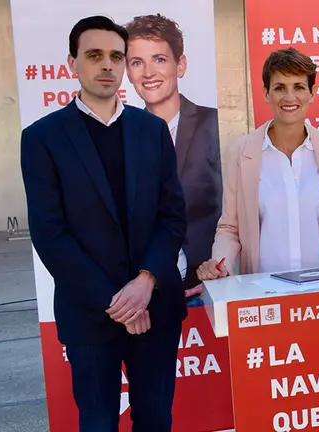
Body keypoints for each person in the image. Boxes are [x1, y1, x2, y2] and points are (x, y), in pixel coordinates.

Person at [20, 16, 187, 431]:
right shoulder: (42, 137)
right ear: (72, 63)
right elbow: (49, 233)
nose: (107, 65)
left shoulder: (152, 130)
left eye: (116, 56)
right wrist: (120, 304)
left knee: (155, 420)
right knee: (97, 423)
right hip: (91, 314)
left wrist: (146, 281)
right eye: (94, 55)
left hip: (155, 306)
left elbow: (173, 215)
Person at [196, 48, 319, 281]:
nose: (290, 97)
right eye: (280, 88)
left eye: (298, 87)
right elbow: (230, 229)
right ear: (267, 94)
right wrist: (219, 264)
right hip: (262, 291)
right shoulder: (242, 152)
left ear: (312, 93)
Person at [124, 13, 221, 304]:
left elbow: (237, 212)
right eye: (137, 62)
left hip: (207, 286)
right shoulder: (121, 135)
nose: (148, 72)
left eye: (159, 59)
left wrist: (222, 271)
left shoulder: (215, 124)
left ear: (180, 65)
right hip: (144, 291)